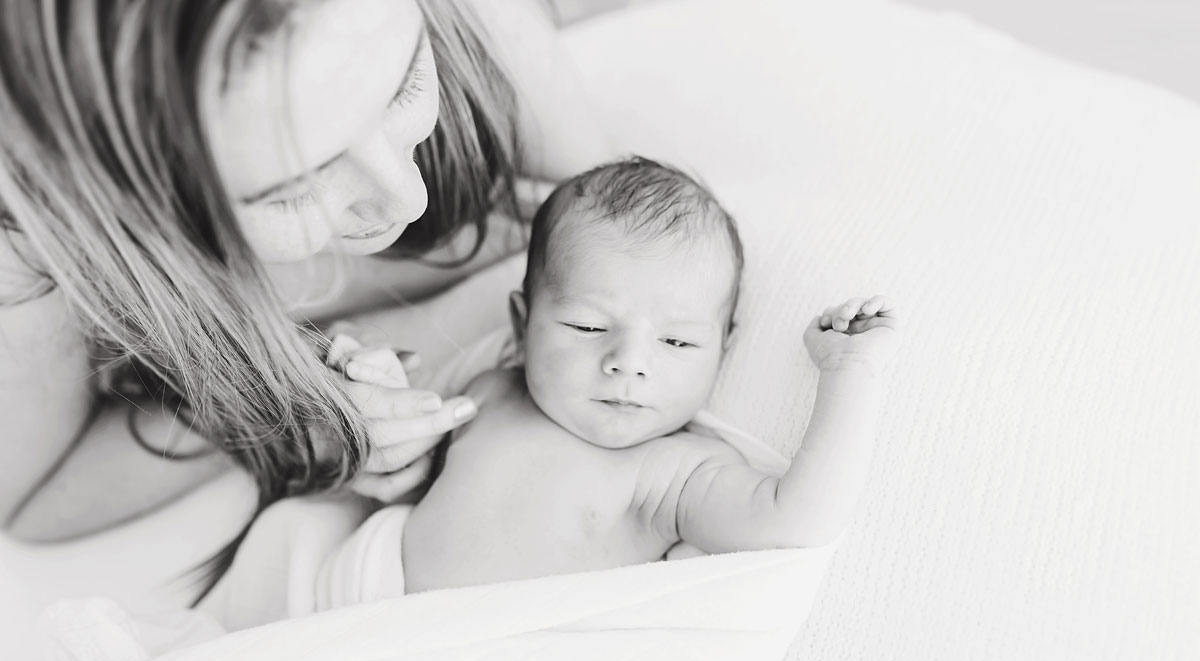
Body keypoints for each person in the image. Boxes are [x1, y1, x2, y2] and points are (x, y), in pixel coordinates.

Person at [0, 0, 620, 542]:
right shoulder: (29, 240)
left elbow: (620, 224)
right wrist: (295, 416)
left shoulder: (449, 17)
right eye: (290, 190)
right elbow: (38, 498)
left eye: (404, 85)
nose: (407, 200)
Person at [198, 157, 900, 615]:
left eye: (678, 342)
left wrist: (848, 373)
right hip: (340, 597)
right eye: (590, 329)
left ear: (725, 350)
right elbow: (391, 460)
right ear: (522, 324)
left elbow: (794, 520)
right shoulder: (493, 388)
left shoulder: (672, 473)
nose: (629, 363)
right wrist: (368, 398)